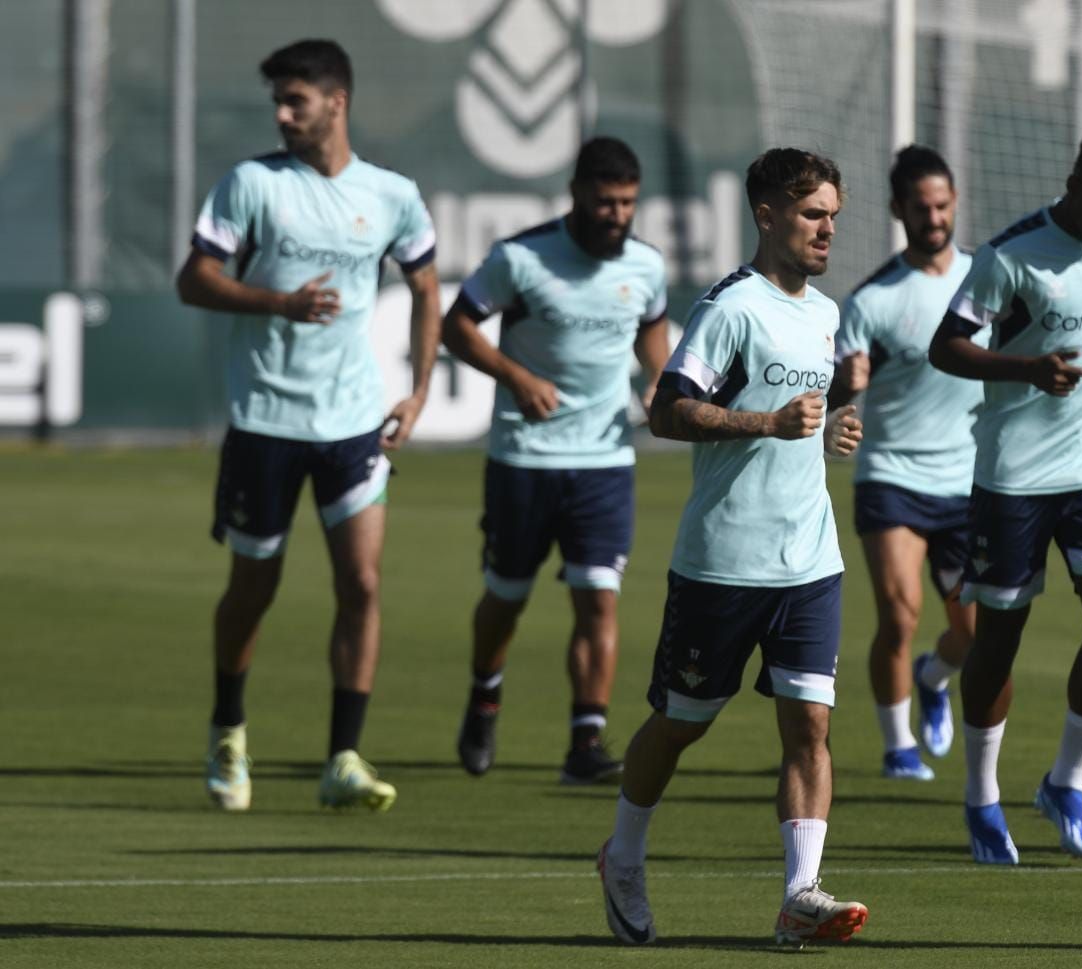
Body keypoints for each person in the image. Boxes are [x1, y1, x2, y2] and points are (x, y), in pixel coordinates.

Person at [596, 148, 868, 946]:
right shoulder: (732, 308)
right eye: (814, 214)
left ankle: (799, 893)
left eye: (833, 217)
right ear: (768, 215)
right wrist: (769, 423)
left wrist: (827, 435)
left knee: (810, 725)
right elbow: (669, 411)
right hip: (722, 562)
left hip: (810, 560)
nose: (826, 231)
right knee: (681, 722)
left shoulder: (824, 313)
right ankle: (622, 856)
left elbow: (802, 419)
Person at [177, 39, 440, 812]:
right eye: (279, 103)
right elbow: (195, 279)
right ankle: (228, 726)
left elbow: (427, 288)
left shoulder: (392, 193)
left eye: (296, 101)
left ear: (338, 102)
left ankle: (344, 757)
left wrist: (419, 393)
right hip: (264, 418)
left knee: (361, 582)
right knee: (253, 586)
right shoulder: (253, 183)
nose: (283, 115)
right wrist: (278, 303)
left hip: (354, 422)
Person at [928, 122, 1082, 865]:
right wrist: (1023, 369)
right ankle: (981, 797)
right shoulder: (1010, 255)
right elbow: (947, 345)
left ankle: (1066, 781)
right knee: (999, 640)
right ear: (1077, 181)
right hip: (1014, 479)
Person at [441, 137, 670, 784]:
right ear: (576, 195)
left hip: (604, 461)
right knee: (506, 595)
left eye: (626, 203)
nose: (615, 214)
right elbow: (456, 327)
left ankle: (585, 742)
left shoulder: (645, 266)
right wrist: (516, 376)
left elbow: (652, 322)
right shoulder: (521, 258)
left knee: (598, 598)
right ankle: (485, 692)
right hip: (523, 457)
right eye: (604, 202)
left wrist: (656, 376)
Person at [828, 144, 978, 781]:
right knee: (899, 612)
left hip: (971, 482)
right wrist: (845, 387)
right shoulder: (872, 300)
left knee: (975, 633)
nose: (935, 216)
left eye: (943, 204)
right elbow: (834, 395)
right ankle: (897, 746)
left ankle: (933, 676)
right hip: (892, 475)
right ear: (898, 210)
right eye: (921, 206)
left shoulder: (984, 280)